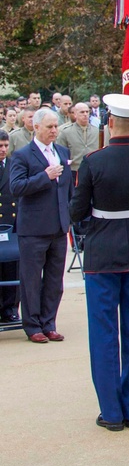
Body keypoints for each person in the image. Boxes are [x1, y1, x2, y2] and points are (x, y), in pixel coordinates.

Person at [69, 94, 129, 432]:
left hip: (101, 252)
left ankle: (111, 412)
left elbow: (77, 211)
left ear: (110, 122)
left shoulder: (95, 161)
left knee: (104, 334)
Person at [9, 107, 74, 343]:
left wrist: (70, 216)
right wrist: (44, 177)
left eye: (56, 126)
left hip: (58, 227)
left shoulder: (62, 152)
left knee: (55, 281)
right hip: (33, 229)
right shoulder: (22, 155)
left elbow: (68, 189)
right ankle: (33, 325)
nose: (54, 130)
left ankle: (49, 323)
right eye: (49, 127)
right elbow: (16, 187)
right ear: (36, 127)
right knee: (32, 280)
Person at [0, 131, 20, 323]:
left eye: (6, 145)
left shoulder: (14, 164)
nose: (3, 150)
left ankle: (10, 308)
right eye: (0, 146)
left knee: (11, 268)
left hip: (11, 225)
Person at [56, 103, 99, 184]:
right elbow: (60, 153)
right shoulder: (66, 132)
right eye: (82, 112)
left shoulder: (97, 131)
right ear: (75, 114)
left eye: (87, 112)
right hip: (74, 171)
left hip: (94, 170)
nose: (85, 114)